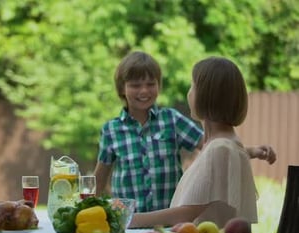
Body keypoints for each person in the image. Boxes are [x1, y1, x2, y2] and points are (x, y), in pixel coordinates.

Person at [94, 51, 276, 213]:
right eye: (135, 85)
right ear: (121, 89)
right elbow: (100, 177)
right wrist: (94, 209)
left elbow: (211, 147)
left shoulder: (172, 120)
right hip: (128, 221)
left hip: (170, 220)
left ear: (159, 85)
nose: (144, 90)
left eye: (151, 84)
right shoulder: (111, 130)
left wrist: (251, 151)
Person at [130, 56, 259, 228]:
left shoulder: (220, 148)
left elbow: (186, 214)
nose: (189, 93)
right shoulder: (222, 145)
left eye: (193, 86)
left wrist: (129, 218)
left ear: (208, 95)